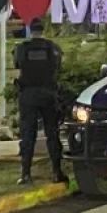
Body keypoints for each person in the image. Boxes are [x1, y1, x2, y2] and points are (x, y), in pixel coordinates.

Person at [13, 18, 67, 185]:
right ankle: (56, 172)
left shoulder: (22, 48)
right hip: (48, 94)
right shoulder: (53, 48)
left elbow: (17, 64)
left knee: (28, 134)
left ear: (31, 29)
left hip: (28, 94)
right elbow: (58, 67)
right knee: (52, 132)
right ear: (43, 29)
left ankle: (26, 174)